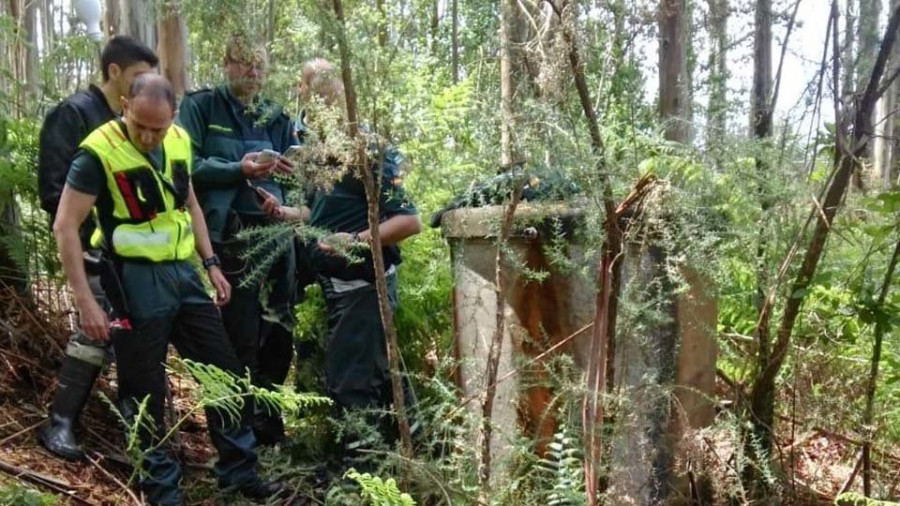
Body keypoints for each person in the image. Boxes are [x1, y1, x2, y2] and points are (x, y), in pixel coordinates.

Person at [53, 74, 285, 505]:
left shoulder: (178, 140)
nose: (147, 135)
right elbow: (65, 225)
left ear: (172, 118)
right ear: (124, 105)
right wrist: (85, 298)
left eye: (156, 128)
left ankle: (238, 471)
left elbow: (190, 204)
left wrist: (210, 262)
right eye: (139, 124)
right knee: (143, 392)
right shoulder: (97, 153)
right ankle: (161, 492)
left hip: (183, 275)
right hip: (133, 279)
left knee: (224, 373)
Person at [286, 59, 422, 468]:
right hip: (336, 289)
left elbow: (408, 221)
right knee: (368, 376)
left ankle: (359, 477)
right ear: (303, 91)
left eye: (331, 87)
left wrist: (357, 241)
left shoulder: (369, 148)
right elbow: (319, 213)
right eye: (315, 88)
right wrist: (285, 213)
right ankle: (409, 451)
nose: (324, 97)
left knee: (353, 384)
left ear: (344, 93)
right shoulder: (316, 151)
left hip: (364, 287)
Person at [37, 35, 158, 461]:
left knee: (136, 338)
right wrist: (88, 235)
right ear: (115, 72)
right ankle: (61, 422)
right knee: (92, 331)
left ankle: (140, 437)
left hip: (138, 253)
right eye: (140, 76)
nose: (149, 85)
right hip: (93, 249)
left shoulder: (135, 120)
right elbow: (54, 192)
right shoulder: (73, 114)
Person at [176, 33, 299, 446]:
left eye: (260, 65)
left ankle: (268, 421)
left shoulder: (276, 116)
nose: (253, 71)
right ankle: (237, 430)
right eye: (245, 63)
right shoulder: (202, 106)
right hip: (230, 236)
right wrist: (237, 169)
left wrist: (286, 172)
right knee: (239, 334)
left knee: (279, 329)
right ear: (227, 64)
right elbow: (184, 166)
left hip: (277, 233)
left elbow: (300, 171)